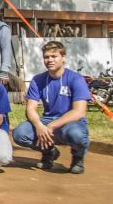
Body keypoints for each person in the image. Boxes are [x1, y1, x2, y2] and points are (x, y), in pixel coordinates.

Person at [13, 41, 90, 174]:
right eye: (46, 57)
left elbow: (79, 112)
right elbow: (30, 108)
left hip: (70, 122)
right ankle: (49, 152)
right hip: (47, 120)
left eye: (54, 56)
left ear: (63, 57)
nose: (50, 60)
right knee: (20, 134)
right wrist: (39, 126)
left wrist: (51, 126)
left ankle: (78, 157)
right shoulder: (38, 80)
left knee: (76, 134)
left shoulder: (76, 79)